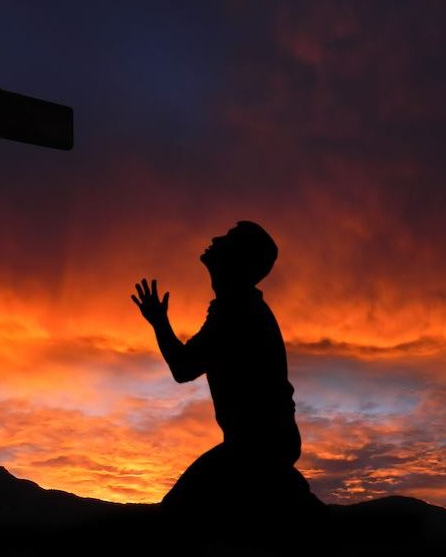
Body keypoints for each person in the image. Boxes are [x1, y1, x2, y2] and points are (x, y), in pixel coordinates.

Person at [132, 221, 320, 518]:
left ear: (239, 259)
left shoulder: (237, 311)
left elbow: (183, 368)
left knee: (177, 515)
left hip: (257, 447)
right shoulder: (236, 307)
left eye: (228, 238)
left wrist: (158, 323)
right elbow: (186, 367)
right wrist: (159, 322)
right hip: (262, 444)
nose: (215, 238)